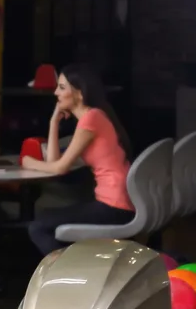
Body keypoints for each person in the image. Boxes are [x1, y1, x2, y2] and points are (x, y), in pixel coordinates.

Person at [23, 63, 134, 254]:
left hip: (114, 206)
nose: (56, 92)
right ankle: (70, 270)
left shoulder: (91, 119)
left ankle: (64, 276)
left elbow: (59, 168)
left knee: (38, 227)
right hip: (116, 203)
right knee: (45, 218)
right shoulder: (94, 117)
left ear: (79, 93)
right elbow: (53, 163)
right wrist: (54, 122)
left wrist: (28, 161)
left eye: (62, 87)